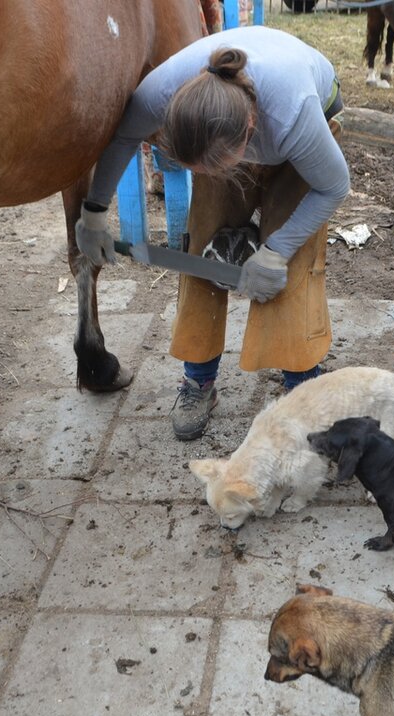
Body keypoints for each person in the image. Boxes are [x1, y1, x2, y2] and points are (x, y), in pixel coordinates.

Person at [76, 26, 349, 440]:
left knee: (290, 264)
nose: (200, 176)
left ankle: (302, 386)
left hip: (305, 135)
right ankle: (198, 380)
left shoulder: (293, 113)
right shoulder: (163, 92)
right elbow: (124, 138)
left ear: (250, 128)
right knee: (202, 248)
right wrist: (94, 211)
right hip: (221, 134)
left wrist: (276, 249)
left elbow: (333, 186)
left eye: (209, 168)